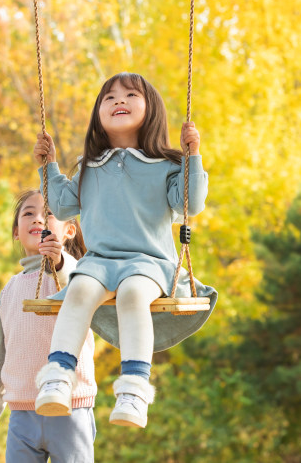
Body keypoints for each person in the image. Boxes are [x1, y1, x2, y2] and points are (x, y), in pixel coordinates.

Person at [32, 72, 216, 429]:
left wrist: (193, 155)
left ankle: (133, 389)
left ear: (151, 110)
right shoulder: (90, 167)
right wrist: (49, 165)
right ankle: (57, 374)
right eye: (109, 98)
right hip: (100, 263)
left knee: (133, 294)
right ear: (98, 115)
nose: (119, 101)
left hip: (149, 263)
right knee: (80, 288)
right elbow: (63, 205)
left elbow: (190, 204)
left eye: (130, 95)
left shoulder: (165, 165)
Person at [0, 190, 97, 461]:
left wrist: (59, 260)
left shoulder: (76, 270)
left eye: (49, 214)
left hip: (70, 408)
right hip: (22, 416)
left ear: (69, 231)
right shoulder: (10, 290)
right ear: (17, 232)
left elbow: (75, 283)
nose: (38, 219)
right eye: (29, 213)